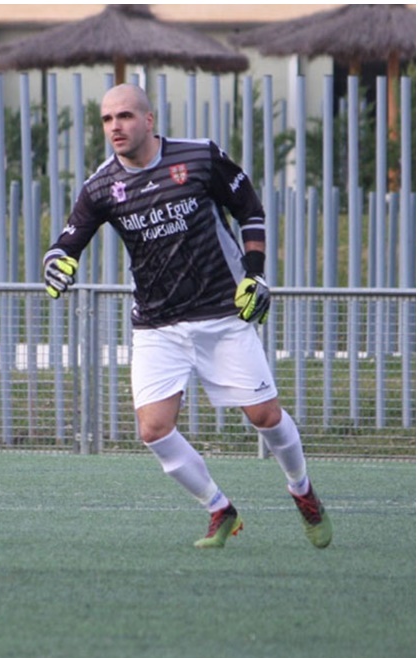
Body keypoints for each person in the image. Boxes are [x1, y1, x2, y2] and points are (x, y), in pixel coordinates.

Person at [42, 83, 332, 550]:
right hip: (157, 324)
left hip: (221, 312)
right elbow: (67, 242)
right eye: (107, 119)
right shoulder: (101, 186)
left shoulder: (199, 158)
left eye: (126, 116)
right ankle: (220, 508)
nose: (116, 126)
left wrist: (254, 275)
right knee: (153, 429)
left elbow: (249, 210)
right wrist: (56, 262)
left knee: (265, 415)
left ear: (150, 120)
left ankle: (302, 490)